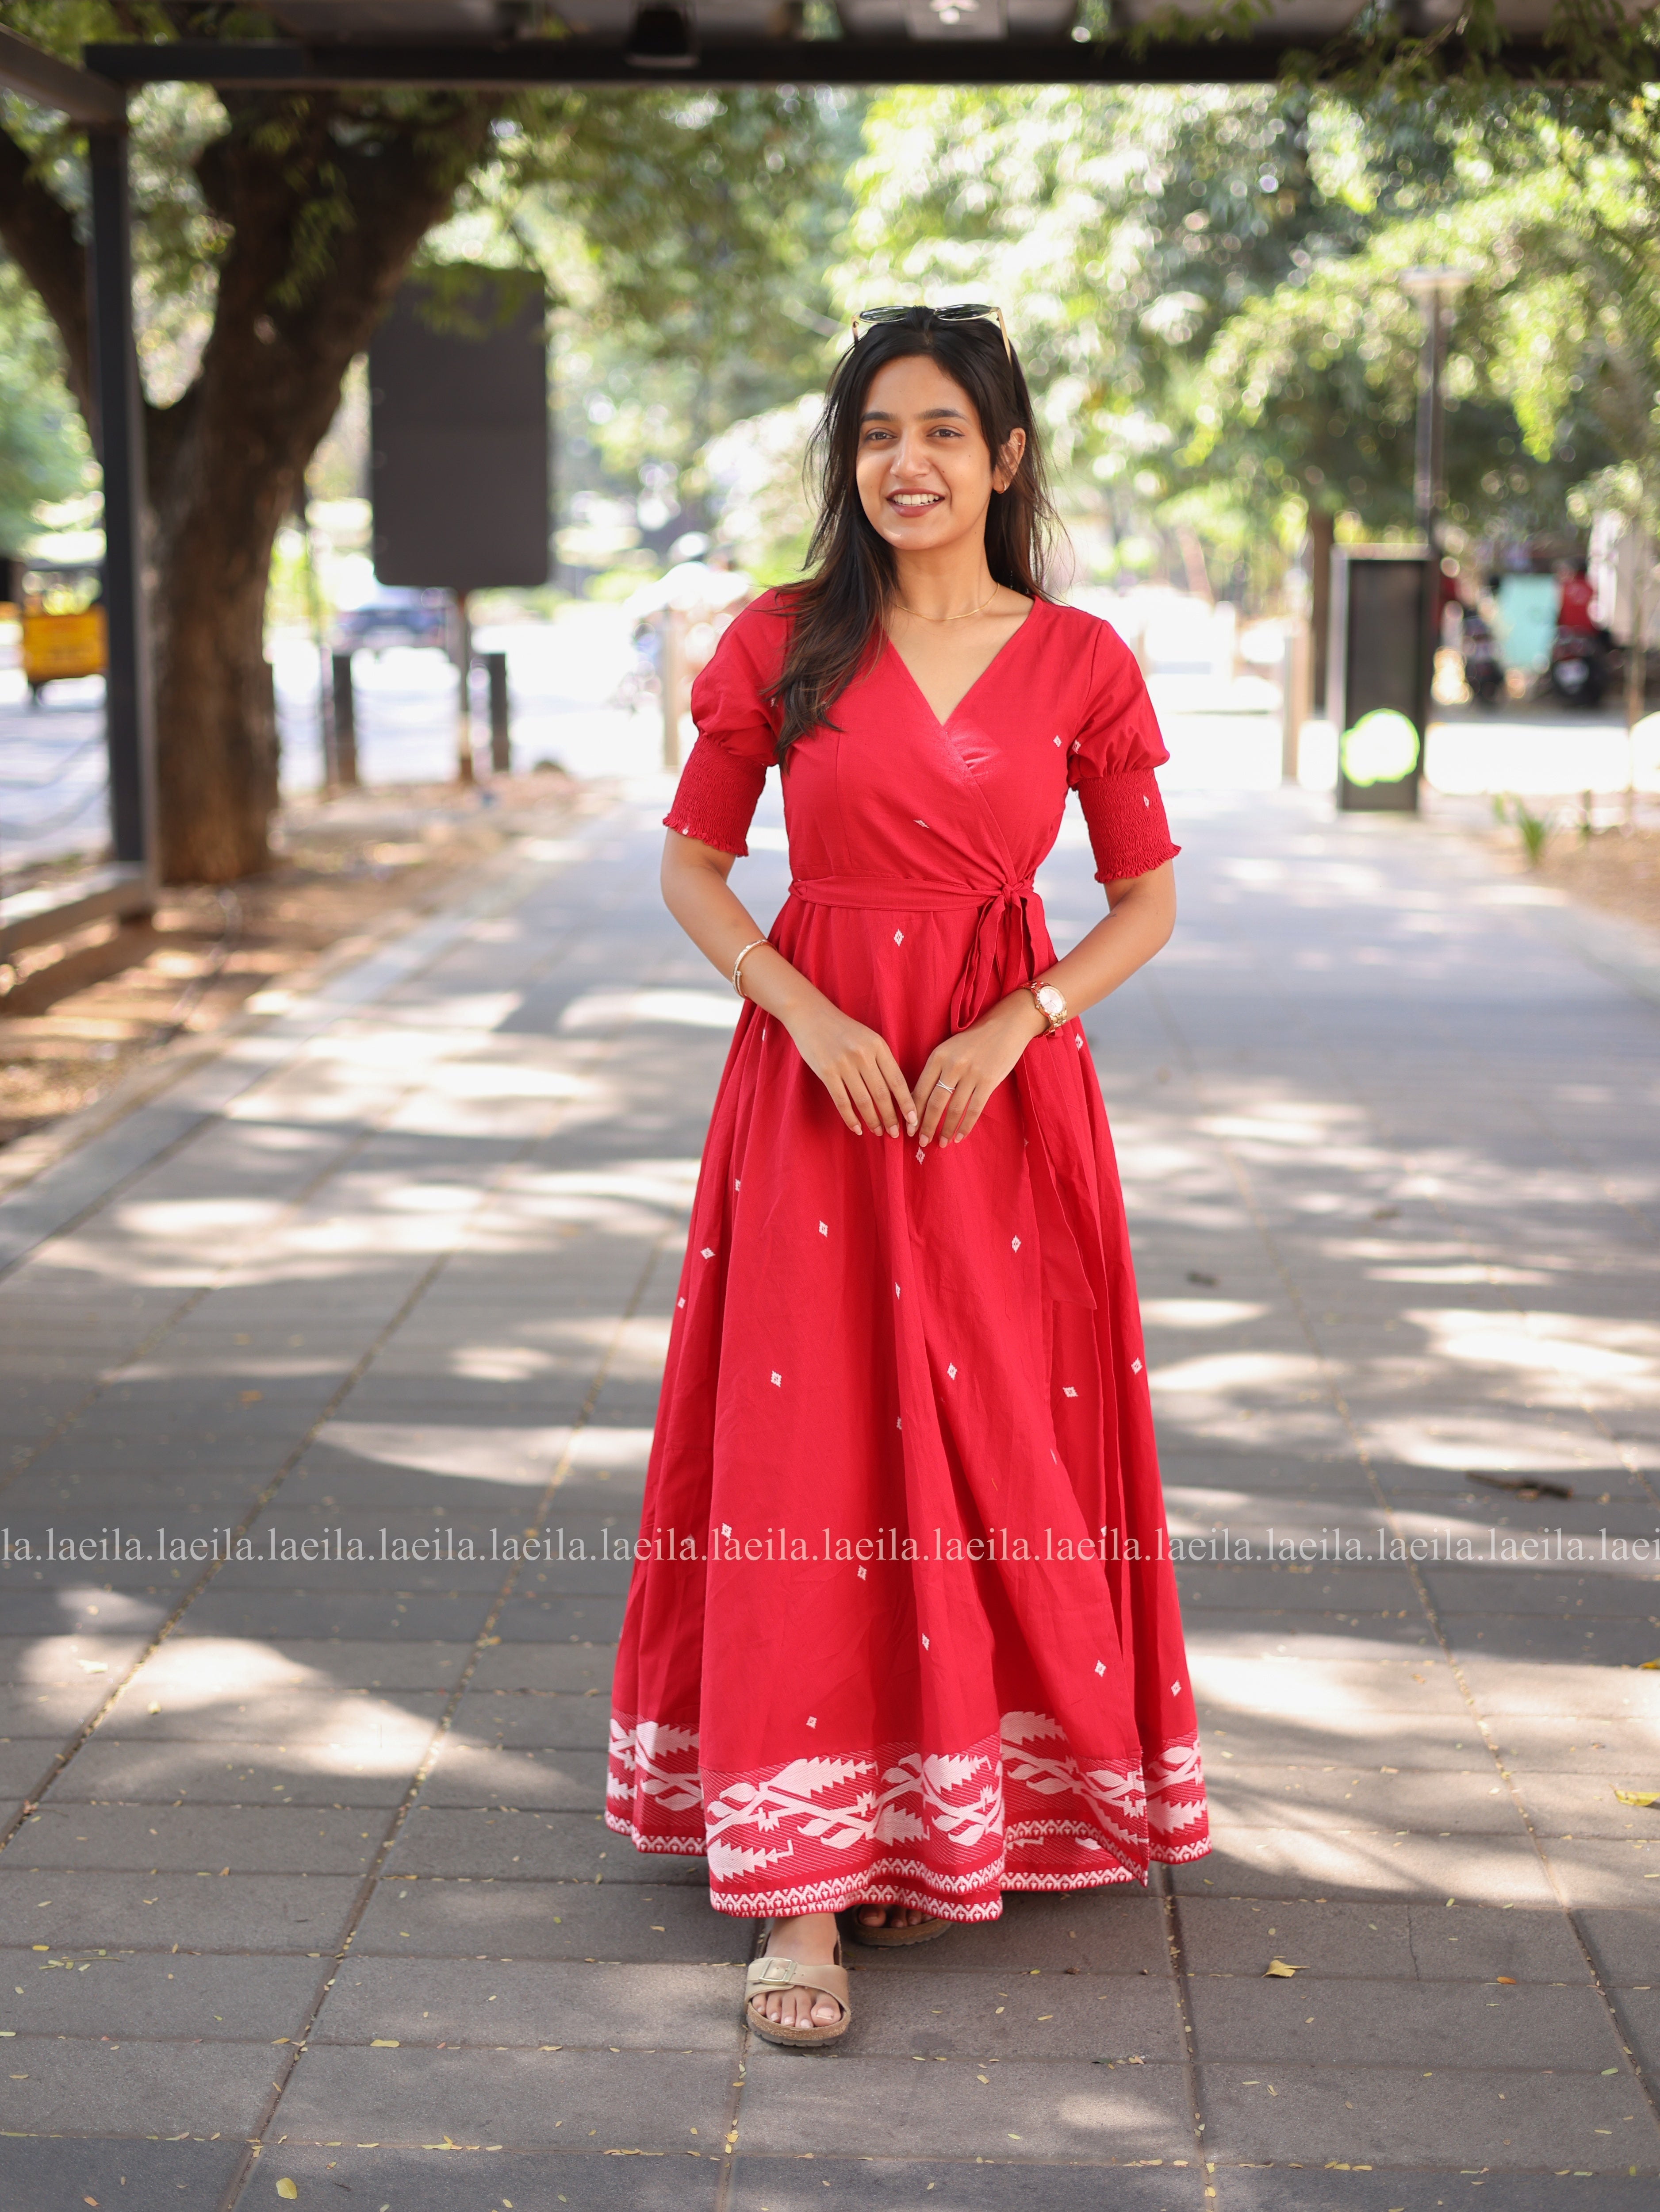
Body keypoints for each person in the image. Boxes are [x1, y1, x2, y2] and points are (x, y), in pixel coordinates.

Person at [606, 303, 1210, 2049]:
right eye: (876, 431)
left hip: (994, 1104)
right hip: (813, 1092)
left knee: (993, 1438)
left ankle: (957, 1805)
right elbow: (696, 870)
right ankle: (797, 1898)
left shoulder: (1081, 657)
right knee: (810, 1441)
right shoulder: (779, 641)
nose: (907, 462)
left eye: (943, 429)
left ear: (1003, 457)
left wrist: (1016, 1020)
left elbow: (1144, 901)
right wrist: (801, 1013)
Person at [1558, 557, 1596, 634]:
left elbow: (1562, 608)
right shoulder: (1591, 586)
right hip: (1588, 628)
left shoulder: (1567, 586)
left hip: (1569, 627)